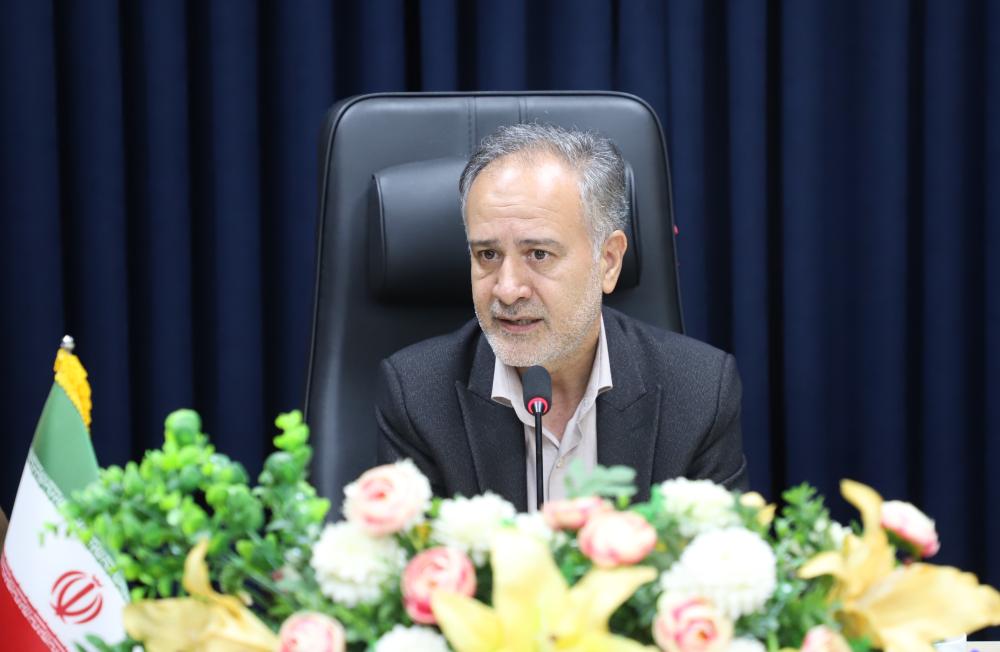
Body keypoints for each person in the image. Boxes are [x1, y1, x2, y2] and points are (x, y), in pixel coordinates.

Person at [376, 123, 748, 511]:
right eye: (488, 255)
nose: (507, 289)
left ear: (608, 261)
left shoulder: (699, 393)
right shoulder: (417, 397)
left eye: (539, 254)